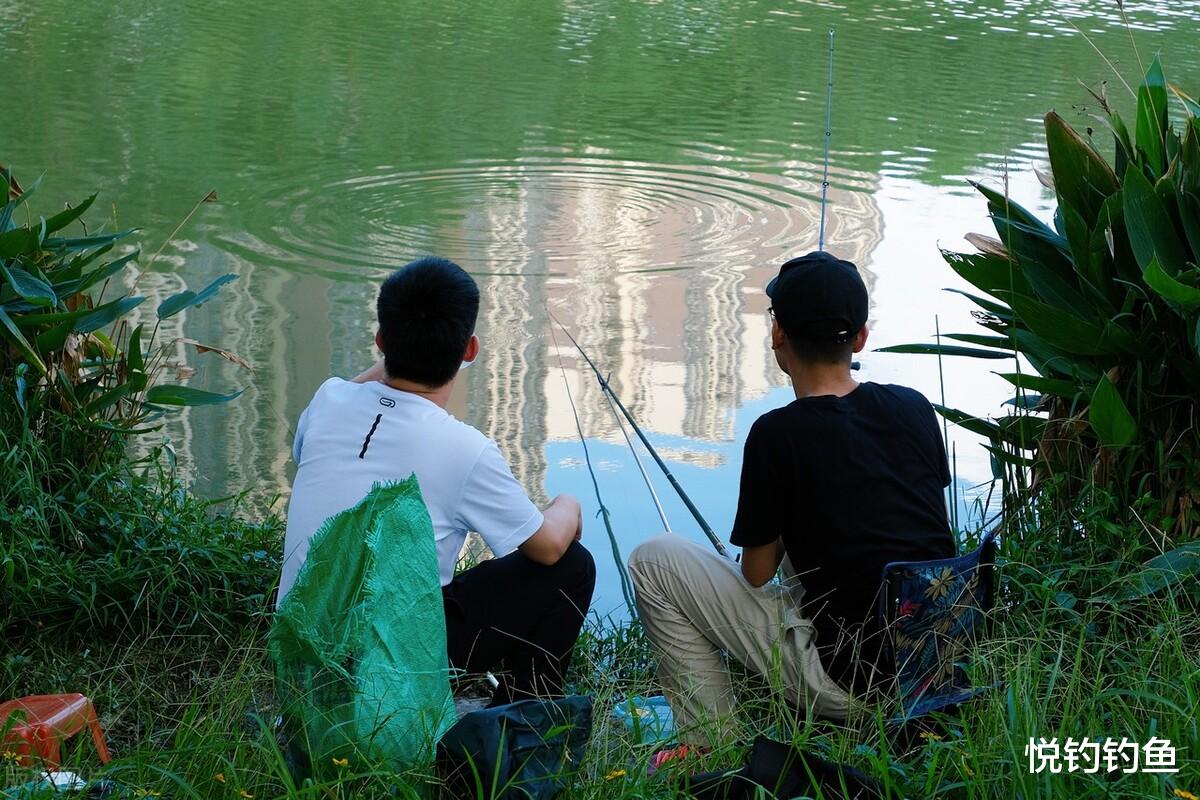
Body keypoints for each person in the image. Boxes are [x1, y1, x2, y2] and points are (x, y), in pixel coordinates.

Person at [628, 251, 954, 747]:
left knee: (652, 561)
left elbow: (757, 572)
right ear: (861, 337)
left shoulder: (776, 435)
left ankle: (707, 743)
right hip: (939, 660)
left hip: (856, 683)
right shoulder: (914, 407)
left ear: (778, 335)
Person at [279, 256, 595, 707]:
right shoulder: (464, 449)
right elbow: (545, 547)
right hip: (393, 669)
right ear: (470, 351)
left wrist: (398, 349)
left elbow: (354, 390)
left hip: (302, 654)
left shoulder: (329, 399)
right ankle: (522, 722)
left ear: (381, 340)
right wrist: (568, 502)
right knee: (572, 566)